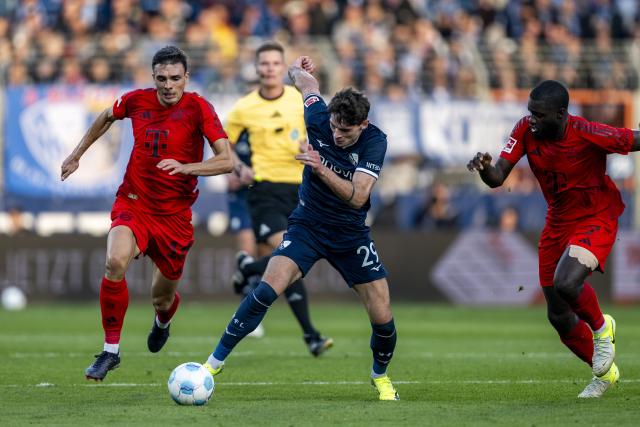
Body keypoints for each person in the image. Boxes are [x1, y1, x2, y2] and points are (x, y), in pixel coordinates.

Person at [203, 55, 400, 401]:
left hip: (350, 234)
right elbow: (304, 83)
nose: (337, 135)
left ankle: (380, 376)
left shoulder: (375, 142)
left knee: (382, 315)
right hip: (307, 226)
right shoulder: (317, 114)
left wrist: (321, 168)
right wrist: (298, 67)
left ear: (363, 125)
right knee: (266, 289)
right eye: (335, 127)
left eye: (346, 131)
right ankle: (211, 366)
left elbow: (357, 197)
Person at [60, 46, 233, 381]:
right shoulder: (136, 100)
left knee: (162, 298)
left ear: (187, 76)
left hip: (175, 217)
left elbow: (226, 160)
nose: (168, 85)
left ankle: (162, 321)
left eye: (174, 78)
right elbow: (106, 116)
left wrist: (187, 167)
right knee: (115, 261)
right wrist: (76, 154)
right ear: (153, 77)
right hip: (134, 202)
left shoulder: (198, 108)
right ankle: (110, 352)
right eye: (161, 79)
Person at [467, 80, 640, 398]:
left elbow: (631, 140)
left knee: (566, 283)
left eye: (539, 114)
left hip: (596, 216)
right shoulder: (525, 129)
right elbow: (498, 177)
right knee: (558, 315)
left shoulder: (587, 131)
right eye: (529, 112)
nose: (531, 119)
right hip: (558, 222)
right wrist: (485, 168)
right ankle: (603, 374)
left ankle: (603, 330)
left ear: (561, 114)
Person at [224, 41, 331, 355]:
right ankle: (311, 333)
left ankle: (247, 269)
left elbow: (316, 133)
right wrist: (239, 167)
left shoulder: (298, 102)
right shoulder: (244, 107)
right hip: (264, 189)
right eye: (264, 63)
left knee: (291, 264)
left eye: (275, 63)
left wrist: (309, 150)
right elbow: (223, 145)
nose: (269, 68)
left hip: (300, 189)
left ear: (282, 67)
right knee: (290, 253)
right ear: (257, 69)